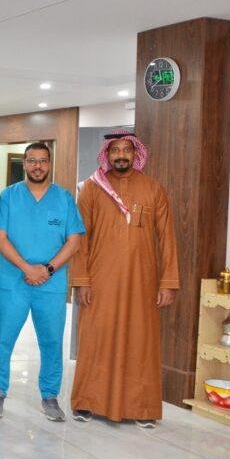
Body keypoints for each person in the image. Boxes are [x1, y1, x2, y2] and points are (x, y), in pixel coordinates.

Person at [69, 130, 179, 428]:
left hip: (142, 283)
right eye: (115, 150)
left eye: (126, 150)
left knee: (140, 342)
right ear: (106, 154)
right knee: (96, 339)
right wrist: (82, 280)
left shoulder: (154, 189)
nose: (120, 155)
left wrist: (168, 282)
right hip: (100, 281)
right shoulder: (92, 190)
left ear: (136, 154)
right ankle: (87, 402)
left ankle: (141, 408)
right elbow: (80, 239)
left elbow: (167, 239)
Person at [0, 142, 84, 422]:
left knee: (52, 342)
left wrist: (47, 269)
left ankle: (50, 396)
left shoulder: (64, 199)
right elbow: (0, 239)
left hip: (51, 284)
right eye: (31, 160)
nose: (37, 166)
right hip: (13, 281)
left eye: (43, 160)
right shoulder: (9, 196)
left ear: (50, 164)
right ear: (25, 164)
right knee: (2, 339)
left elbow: (74, 241)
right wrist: (27, 268)